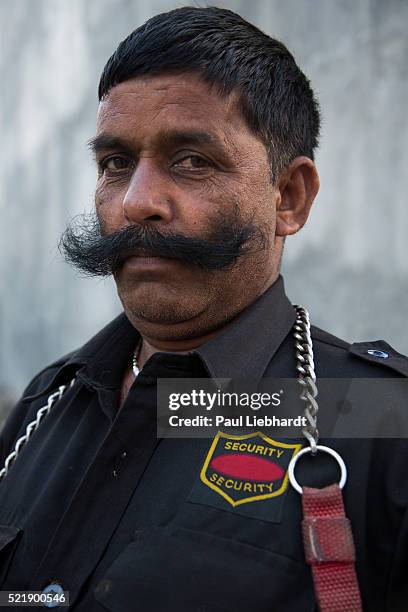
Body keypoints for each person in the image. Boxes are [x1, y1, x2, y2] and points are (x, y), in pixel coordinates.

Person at [0, 6, 407, 611]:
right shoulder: (46, 404)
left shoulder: (376, 418)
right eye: (115, 164)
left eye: (192, 161)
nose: (137, 202)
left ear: (289, 197)